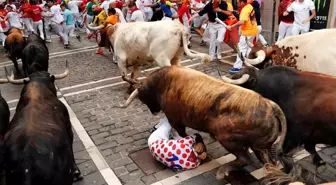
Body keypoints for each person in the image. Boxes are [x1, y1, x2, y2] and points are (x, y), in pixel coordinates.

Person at [227, 0, 258, 72]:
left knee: (241, 49)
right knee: (248, 49)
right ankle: (253, 63)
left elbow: (242, 22)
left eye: (238, 2)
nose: (236, 4)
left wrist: (231, 26)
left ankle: (237, 66)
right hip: (253, 30)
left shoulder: (244, 9)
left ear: (242, 2)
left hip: (247, 32)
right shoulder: (249, 6)